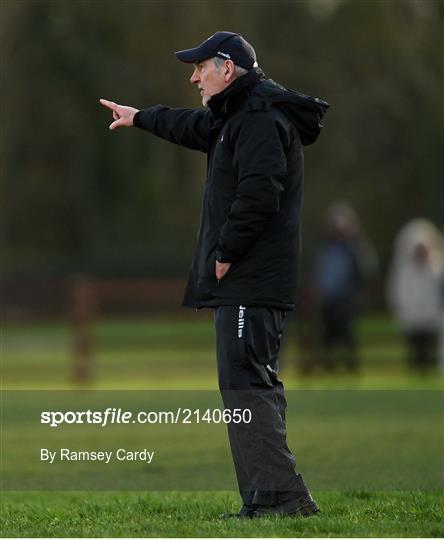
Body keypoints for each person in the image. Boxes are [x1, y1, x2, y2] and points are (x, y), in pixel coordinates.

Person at [100, 31, 329, 518]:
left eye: (200, 67)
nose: (193, 76)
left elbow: (260, 192)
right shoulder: (236, 116)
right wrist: (139, 117)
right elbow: (189, 126)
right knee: (246, 386)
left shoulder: (260, 118)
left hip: (250, 279)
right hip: (246, 282)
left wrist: (225, 252)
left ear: (227, 69)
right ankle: (266, 499)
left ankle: (281, 500)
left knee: (248, 385)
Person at [313, 202, 377, 372]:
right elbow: (321, 271)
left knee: (347, 334)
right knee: (328, 335)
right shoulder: (326, 246)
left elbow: (368, 269)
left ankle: (351, 367)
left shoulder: (356, 248)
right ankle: (329, 367)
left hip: (347, 299)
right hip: (329, 298)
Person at [386, 219, 444, 373]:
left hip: (432, 316)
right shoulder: (405, 271)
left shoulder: (437, 268)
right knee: (415, 350)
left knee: (430, 349)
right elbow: (398, 292)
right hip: (412, 317)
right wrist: (401, 311)